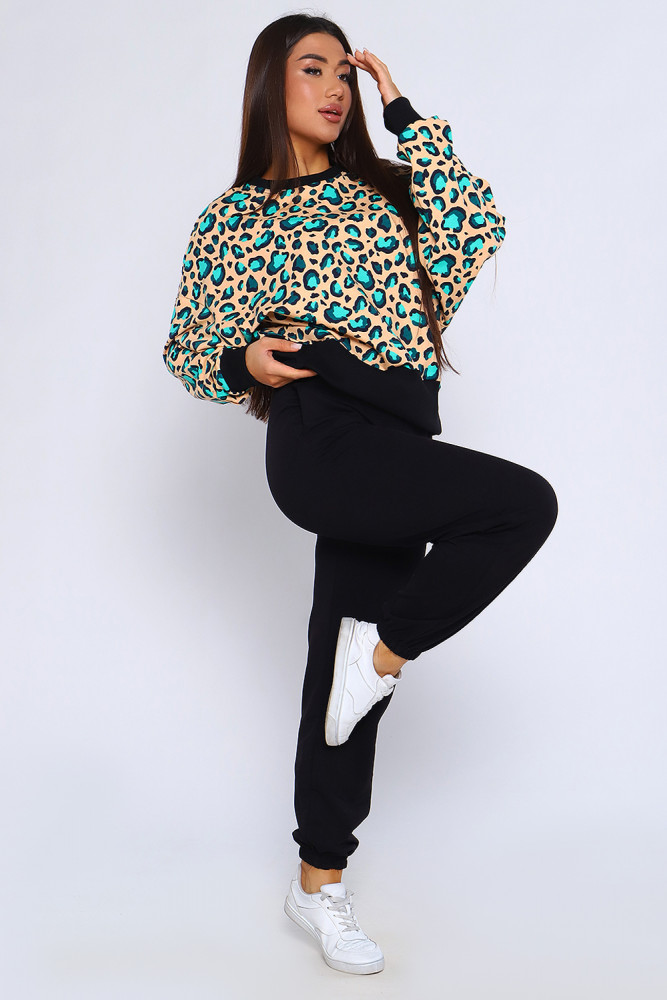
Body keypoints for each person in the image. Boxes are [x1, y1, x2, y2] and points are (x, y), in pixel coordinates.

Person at [163, 14, 558, 977]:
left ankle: (316, 885)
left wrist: (405, 113)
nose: (335, 87)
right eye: (314, 69)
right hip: (321, 439)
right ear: (271, 83)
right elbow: (186, 342)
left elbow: (476, 220)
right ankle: (379, 656)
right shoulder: (234, 217)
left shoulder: (383, 193)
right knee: (522, 504)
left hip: (396, 437)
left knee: (339, 685)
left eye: (346, 72)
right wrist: (242, 358)